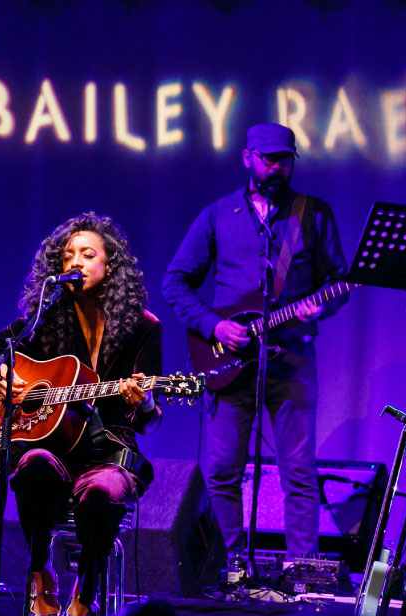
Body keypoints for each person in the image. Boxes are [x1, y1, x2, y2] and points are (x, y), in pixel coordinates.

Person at [161, 123, 349, 562]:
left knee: (299, 473)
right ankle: (230, 571)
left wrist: (321, 307)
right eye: (267, 158)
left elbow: (339, 282)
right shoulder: (217, 215)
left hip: (293, 359)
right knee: (222, 471)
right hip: (229, 361)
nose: (276, 166)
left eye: (284, 159)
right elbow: (176, 282)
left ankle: (303, 571)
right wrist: (213, 326)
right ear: (247, 158)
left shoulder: (312, 213)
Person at [0, 212, 162, 616]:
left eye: (88, 255)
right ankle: (40, 574)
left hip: (109, 454)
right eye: (68, 255)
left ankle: (87, 592)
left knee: (102, 491)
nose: (76, 262)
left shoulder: (143, 328)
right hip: (54, 450)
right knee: (31, 465)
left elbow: (151, 421)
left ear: (111, 266)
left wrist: (140, 401)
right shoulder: (46, 318)